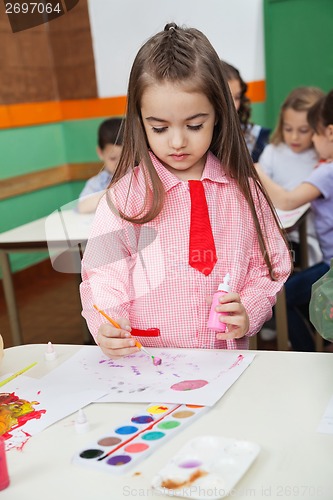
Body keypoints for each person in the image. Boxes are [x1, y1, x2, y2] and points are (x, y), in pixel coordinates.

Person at [80, 23, 291, 359]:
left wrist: (249, 309)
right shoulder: (124, 197)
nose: (177, 142)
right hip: (147, 364)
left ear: (219, 115)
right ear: (140, 120)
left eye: (195, 125)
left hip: (225, 362)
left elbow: (268, 266)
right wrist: (107, 321)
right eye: (159, 127)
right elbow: (103, 275)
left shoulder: (244, 190)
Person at [256, 89, 333, 351]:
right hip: (326, 262)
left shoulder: (326, 170)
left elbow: (288, 201)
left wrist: (256, 171)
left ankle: (308, 354)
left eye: (310, 131)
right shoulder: (323, 166)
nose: (302, 138)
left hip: (328, 264)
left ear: (327, 133)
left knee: (282, 296)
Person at [259, 86, 324, 268]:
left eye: (303, 130)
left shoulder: (321, 158)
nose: (294, 136)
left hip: (309, 241)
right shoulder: (273, 152)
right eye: (288, 129)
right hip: (274, 235)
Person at [221, 61, 271, 162]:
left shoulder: (255, 136)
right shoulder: (197, 137)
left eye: (237, 97)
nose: (234, 105)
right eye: (227, 98)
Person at [77, 117, 124, 213]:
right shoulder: (97, 183)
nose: (119, 164)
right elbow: (82, 207)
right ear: (100, 153)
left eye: (125, 158)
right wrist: (109, 193)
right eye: (113, 158)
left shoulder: (138, 175)